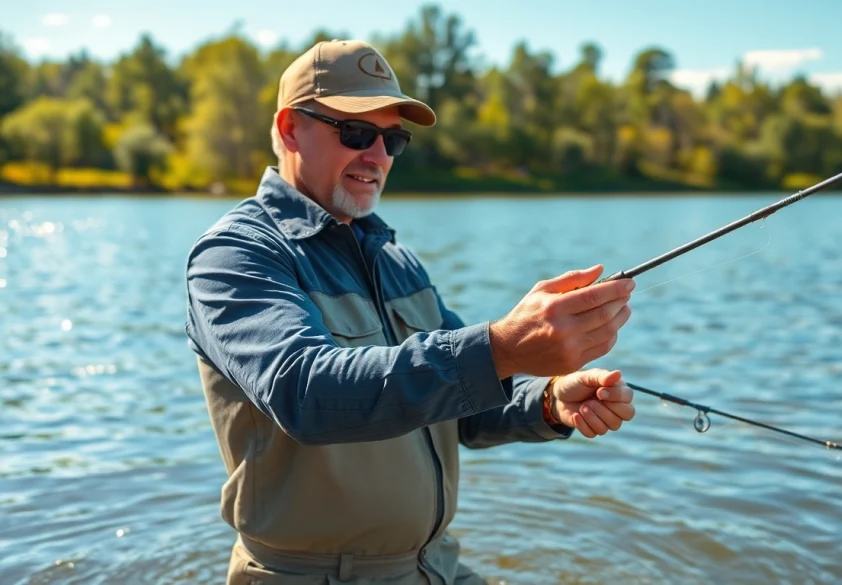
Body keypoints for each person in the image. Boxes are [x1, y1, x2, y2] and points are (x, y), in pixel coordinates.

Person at [184, 39, 636, 585]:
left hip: (436, 567)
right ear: (288, 129)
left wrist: (546, 402)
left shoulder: (395, 258)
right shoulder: (238, 253)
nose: (376, 156)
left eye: (392, 138)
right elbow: (305, 391)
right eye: (355, 133)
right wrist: (503, 347)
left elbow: (457, 404)